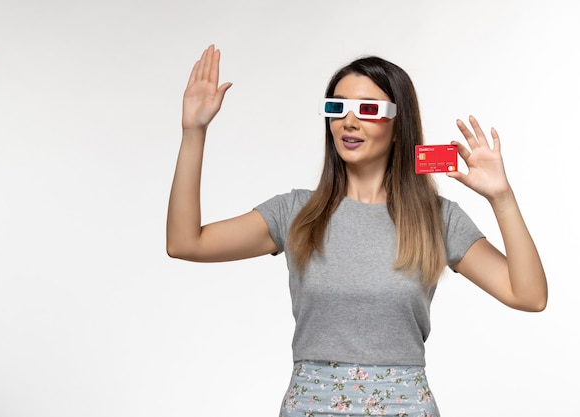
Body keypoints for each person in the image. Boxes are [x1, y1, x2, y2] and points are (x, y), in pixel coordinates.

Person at [166, 44, 547, 417]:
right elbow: (185, 242)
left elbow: (529, 296)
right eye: (337, 108)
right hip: (309, 407)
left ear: (400, 126)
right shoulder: (295, 212)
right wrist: (193, 132)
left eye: (368, 110)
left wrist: (502, 198)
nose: (349, 121)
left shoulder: (436, 218)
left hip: (406, 408)